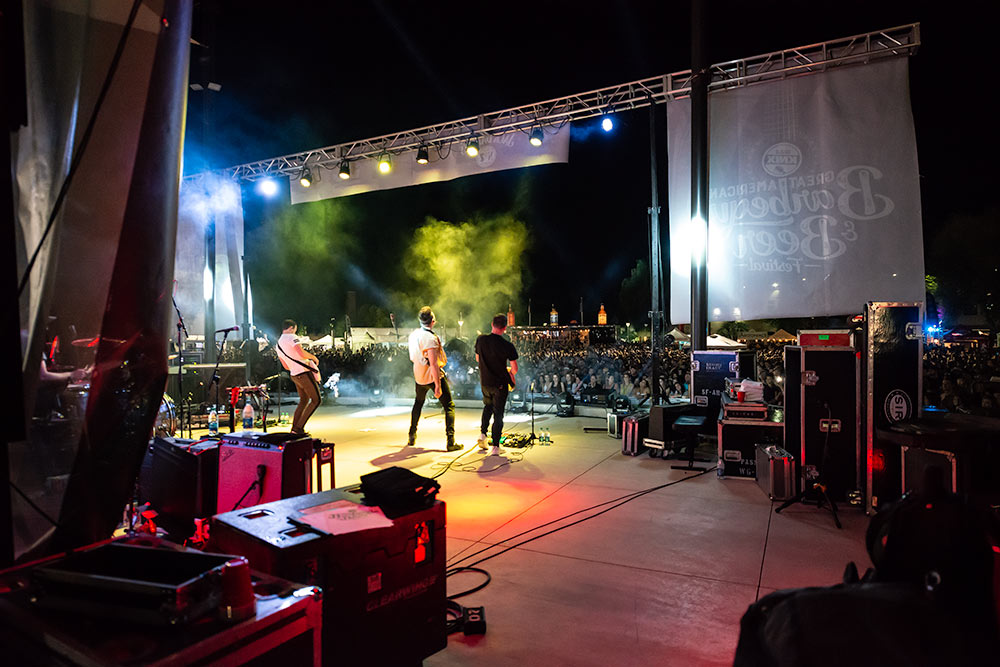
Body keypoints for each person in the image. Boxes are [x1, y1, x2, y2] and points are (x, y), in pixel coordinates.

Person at [408, 307, 462, 451]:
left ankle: (412, 434)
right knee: (449, 406)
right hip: (431, 376)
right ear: (433, 321)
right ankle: (450, 441)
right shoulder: (430, 338)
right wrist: (437, 385)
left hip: (419, 376)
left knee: (418, 403)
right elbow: (433, 363)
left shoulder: (413, 335)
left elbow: (412, 357)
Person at [475, 314, 519, 456]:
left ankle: (483, 434)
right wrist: (508, 372)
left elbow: (477, 358)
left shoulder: (481, 340)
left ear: (491, 324)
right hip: (499, 384)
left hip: (485, 382)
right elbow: (515, 369)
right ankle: (495, 446)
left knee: (487, 407)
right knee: (498, 414)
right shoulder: (507, 345)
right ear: (505, 328)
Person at [276, 319, 321, 435]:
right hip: (303, 373)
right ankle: (298, 429)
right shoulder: (292, 337)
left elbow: (285, 366)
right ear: (291, 328)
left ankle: (295, 428)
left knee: (304, 400)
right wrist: (313, 357)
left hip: (294, 375)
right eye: (295, 329)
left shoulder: (278, 344)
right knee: (316, 400)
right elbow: (301, 353)